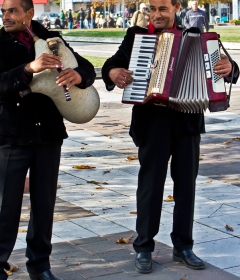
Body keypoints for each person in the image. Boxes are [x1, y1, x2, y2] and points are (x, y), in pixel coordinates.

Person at [102, 0, 239, 275]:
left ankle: (183, 246)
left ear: (176, 8)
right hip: (152, 122)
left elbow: (227, 69)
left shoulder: (197, 37)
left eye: (162, 8)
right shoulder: (136, 37)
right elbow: (111, 66)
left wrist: (230, 68)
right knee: (150, 186)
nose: (156, 14)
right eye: (152, 8)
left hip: (187, 122)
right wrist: (112, 73)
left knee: (186, 186)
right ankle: (143, 247)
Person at [0, 0, 96, 279]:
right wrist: (29, 68)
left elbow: (89, 68)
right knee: (6, 208)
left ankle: (40, 266)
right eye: (3, 11)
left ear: (29, 14)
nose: (5, 16)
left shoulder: (52, 39)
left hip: (48, 134)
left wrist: (77, 74)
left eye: (12, 11)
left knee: (44, 206)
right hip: (12, 136)